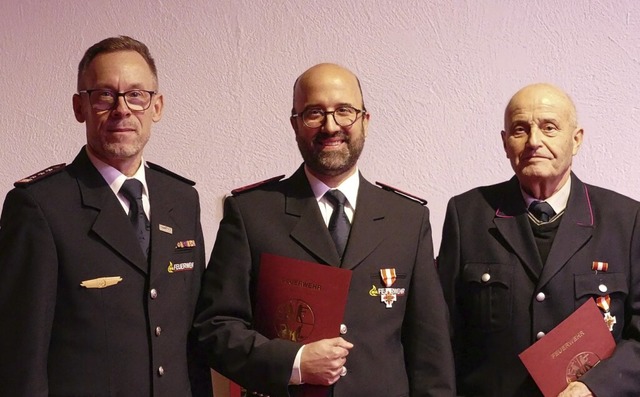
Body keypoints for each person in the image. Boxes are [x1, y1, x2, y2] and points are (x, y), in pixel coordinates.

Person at [194, 63, 455, 396]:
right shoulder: (252, 214)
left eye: (344, 111)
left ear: (365, 120)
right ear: (295, 125)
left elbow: (430, 350)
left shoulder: (407, 219)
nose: (331, 126)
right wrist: (295, 361)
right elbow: (214, 329)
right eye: (314, 113)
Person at [0, 36, 211, 396]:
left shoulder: (182, 199)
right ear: (79, 107)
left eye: (136, 95)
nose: (122, 109)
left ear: (156, 107)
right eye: (104, 95)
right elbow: (21, 356)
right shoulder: (40, 206)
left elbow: (192, 340)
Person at [437, 83, 640, 396]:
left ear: (576, 140)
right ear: (506, 144)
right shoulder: (468, 216)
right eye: (520, 129)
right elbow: (441, 334)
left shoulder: (626, 220)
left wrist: (594, 387)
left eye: (549, 127)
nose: (534, 141)